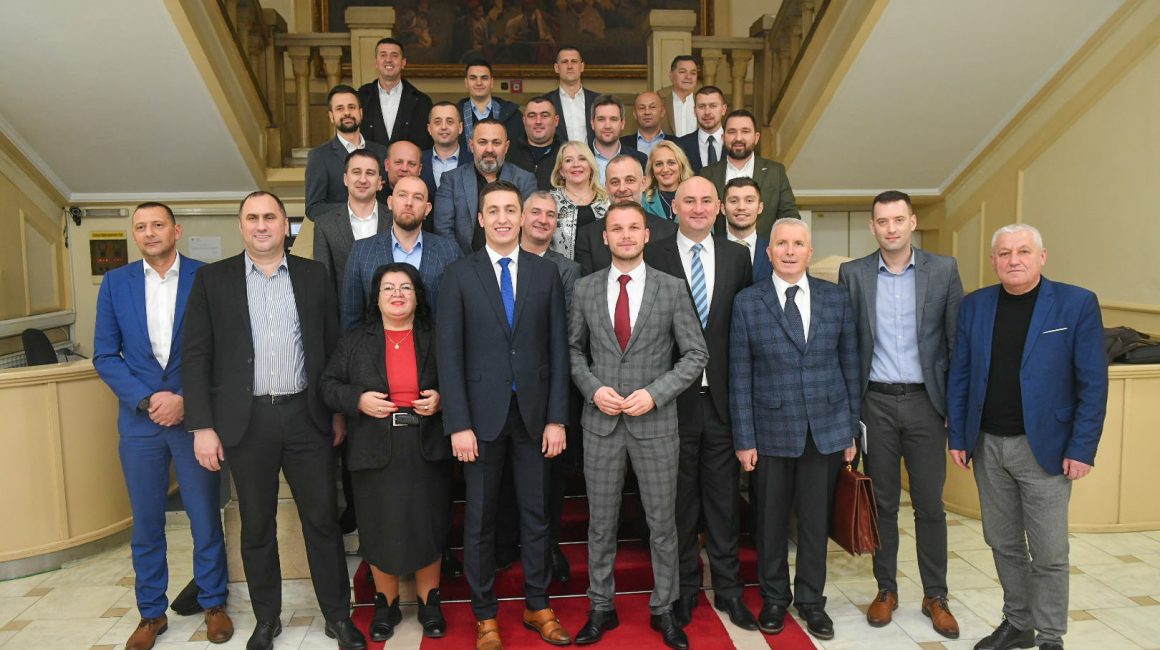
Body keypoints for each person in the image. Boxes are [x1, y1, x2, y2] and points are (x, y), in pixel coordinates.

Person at [182, 192, 365, 650]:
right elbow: (196, 355)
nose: (261, 225)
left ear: (286, 226)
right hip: (246, 423)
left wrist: (336, 411)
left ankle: (338, 616)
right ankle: (267, 619)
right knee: (257, 524)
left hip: (307, 416)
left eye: (270, 217)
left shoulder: (314, 276)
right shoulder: (212, 280)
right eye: (252, 218)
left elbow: (331, 347)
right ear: (241, 226)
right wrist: (202, 426)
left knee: (322, 521)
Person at [947, 224, 1106, 650]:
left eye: (1022, 251)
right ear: (993, 260)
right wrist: (958, 436)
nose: (1013, 260)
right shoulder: (975, 305)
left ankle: (1051, 636)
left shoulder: (1076, 304)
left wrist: (1082, 447)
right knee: (1002, 542)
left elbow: (1093, 383)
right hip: (987, 444)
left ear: (1042, 257)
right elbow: (961, 374)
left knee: (1049, 551)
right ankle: (1019, 623)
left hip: (1046, 449)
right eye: (1004, 253)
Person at [437, 181, 572, 650]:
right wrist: (458, 423)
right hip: (479, 420)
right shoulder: (459, 274)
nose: (501, 218)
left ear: (521, 217)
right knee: (480, 519)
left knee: (537, 514)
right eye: (492, 210)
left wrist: (557, 418)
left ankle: (538, 604)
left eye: (509, 210)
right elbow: (449, 355)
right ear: (480, 219)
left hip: (534, 417)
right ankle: (485, 614)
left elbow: (558, 350)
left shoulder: (545, 273)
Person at [569, 202, 708, 650]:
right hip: (601, 425)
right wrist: (593, 389)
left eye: (634, 228)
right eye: (617, 229)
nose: (626, 235)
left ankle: (664, 608)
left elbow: (696, 354)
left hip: (656, 425)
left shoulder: (672, 288)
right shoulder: (586, 288)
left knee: (662, 525)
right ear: (605, 237)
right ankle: (601, 606)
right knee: (600, 525)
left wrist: (656, 393)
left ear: (647, 235)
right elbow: (573, 351)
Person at [93, 203, 232, 650]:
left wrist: (187, 399)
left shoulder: (206, 277)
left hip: (196, 420)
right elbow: (104, 355)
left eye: (158, 225)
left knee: (204, 517)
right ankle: (151, 613)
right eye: (141, 227)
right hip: (141, 423)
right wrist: (147, 399)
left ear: (177, 230)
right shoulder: (116, 283)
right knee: (147, 523)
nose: (149, 233)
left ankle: (213, 603)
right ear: (134, 235)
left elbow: (224, 350)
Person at [838, 191, 964, 638]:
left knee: (930, 505)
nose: (890, 228)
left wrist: (955, 411)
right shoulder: (853, 274)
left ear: (912, 222)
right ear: (872, 227)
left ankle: (936, 596)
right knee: (884, 504)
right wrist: (848, 417)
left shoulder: (943, 270)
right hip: (875, 404)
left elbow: (957, 344)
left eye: (898, 220)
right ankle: (886, 589)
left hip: (927, 405)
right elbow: (846, 349)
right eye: (882, 221)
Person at [730, 217, 858, 642]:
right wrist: (744, 438)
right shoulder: (748, 302)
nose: (789, 251)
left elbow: (849, 365)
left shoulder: (836, 298)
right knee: (770, 522)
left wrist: (850, 431)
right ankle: (774, 598)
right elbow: (739, 374)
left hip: (825, 430)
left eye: (798, 244)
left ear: (809, 251)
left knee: (815, 523)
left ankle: (811, 601)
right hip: (769, 432)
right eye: (781, 244)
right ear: (768, 252)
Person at [644, 178, 755, 631]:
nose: (698, 207)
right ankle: (684, 588)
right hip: (673, 402)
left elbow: (742, 329)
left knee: (725, 502)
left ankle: (729, 589)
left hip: (723, 401)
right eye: (689, 200)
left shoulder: (737, 256)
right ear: (674, 207)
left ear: (719, 208)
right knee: (680, 503)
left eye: (707, 200)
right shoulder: (654, 254)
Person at [320, 263, 450, 642]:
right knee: (378, 526)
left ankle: (429, 603)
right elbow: (327, 386)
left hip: (426, 445)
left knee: (428, 523)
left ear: (417, 296)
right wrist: (357, 400)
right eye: (388, 288)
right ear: (375, 297)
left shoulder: (438, 336)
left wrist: (442, 399)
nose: (397, 294)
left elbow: (464, 378)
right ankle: (385, 604)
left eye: (405, 287)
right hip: (372, 446)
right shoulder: (354, 341)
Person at [519, 190, 582, 583]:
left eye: (550, 214)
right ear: (521, 217)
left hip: (551, 383)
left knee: (550, 476)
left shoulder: (568, 270)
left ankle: (549, 546)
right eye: (536, 212)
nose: (543, 220)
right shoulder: (500, 261)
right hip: (509, 385)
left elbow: (568, 329)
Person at [342, 176, 461, 332]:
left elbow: (456, 316)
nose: (409, 203)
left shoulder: (449, 251)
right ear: (390, 203)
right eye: (402, 195)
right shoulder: (362, 251)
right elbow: (351, 318)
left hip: (434, 345)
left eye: (417, 198)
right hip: (377, 346)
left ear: (427, 209)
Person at [433, 118, 538, 254]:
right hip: (464, 262)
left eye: (496, 143)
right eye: (482, 142)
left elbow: (529, 228)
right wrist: (463, 263)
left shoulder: (525, 180)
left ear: (506, 147)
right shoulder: (451, 180)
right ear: (471, 145)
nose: (489, 149)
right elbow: (443, 229)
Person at [703, 110, 799, 240]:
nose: (738, 138)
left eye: (745, 131)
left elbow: (790, 218)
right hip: (719, 250)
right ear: (723, 137)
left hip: (763, 250)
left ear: (756, 137)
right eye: (732, 132)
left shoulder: (775, 172)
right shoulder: (707, 174)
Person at [574, 155, 677, 276]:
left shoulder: (669, 231)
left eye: (630, 180)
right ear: (606, 187)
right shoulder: (587, 235)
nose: (622, 188)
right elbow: (587, 284)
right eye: (615, 182)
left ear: (643, 183)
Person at [313, 149, 389, 310]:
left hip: (391, 316)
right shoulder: (325, 224)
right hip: (344, 318)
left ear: (379, 182)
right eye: (356, 172)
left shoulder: (394, 220)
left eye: (370, 173)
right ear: (345, 179)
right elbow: (325, 282)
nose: (363, 179)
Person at [305, 85, 387, 220]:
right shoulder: (319, 156)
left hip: (379, 230)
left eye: (352, 107)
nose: (347, 113)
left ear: (361, 113)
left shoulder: (381, 152)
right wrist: (354, 209)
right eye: (340, 108)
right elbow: (313, 209)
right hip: (340, 231)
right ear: (331, 116)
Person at [356, 37, 434, 150]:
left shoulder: (422, 102)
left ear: (403, 63)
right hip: (369, 161)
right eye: (383, 55)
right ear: (376, 62)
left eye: (394, 55)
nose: (388, 59)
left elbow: (426, 145)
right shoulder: (360, 98)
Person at [549, 141, 610, 260]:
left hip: (602, 269)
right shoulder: (549, 202)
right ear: (561, 171)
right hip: (561, 269)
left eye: (582, 159)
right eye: (568, 160)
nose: (576, 164)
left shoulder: (608, 201)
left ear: (591, 166)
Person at [458, 59, 524, 148]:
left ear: (492, 82)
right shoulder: (454, 115)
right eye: (473, 78)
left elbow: (519, 149)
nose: (479, 83)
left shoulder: (513, 115)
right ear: (466, 83)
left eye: (484, 78)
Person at [420, 101, 473, 206]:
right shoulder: (418, 160)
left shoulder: (473, 161)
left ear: (460, 128)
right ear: (429, 129)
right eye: (437, 122)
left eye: (450, 121)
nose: (444, 127)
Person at [507, 95, 565, 191]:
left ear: (556, 121)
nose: (538, 121)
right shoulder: (508, 152)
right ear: (524, 121)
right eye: (532, 116)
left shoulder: (567, 154)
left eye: (544, 115)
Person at [721, 177, 772, 282]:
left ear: (760, 207)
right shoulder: (710, 248)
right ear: (723, 208)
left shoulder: (774, 250)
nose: (741, 207)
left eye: (749, 201)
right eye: (733, 201)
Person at [588, 94, 647, 185]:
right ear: (592, 123)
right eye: (601, 119)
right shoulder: (580, 159)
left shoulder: (640, 159)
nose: (607, 126)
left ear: (622, 123)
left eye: (613, 119)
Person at [549, 46, 599, 144]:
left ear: (582, 66)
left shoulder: (598, 101)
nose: (570, 66)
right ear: (556, 68)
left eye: (574, 61)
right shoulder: (546, 102)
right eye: (564, 62)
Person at [674, 86, 727, 173]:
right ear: (694, 111)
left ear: (723, 109)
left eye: (713, 106)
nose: (707, 112)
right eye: (701, 107)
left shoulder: (735, 141)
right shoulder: (680, 145)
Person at [642, 140, 696, 222]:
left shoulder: (697, 197)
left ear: (681, 166)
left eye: (671, 163)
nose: (665, 169)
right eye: (659, 164)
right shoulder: (643, 201)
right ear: (652, 169)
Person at [657, 55, 699, 138]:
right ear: (671, 75)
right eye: (682, 72)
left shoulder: (703, 102)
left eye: (693, 73)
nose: (688, 77)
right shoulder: (659, 101)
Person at [621, 91, 669, 157]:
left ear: (662, 112)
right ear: (635, 114)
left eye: (652, 107)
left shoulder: (677, 143)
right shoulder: (621, 144)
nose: (647, 112)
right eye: (642, 108)